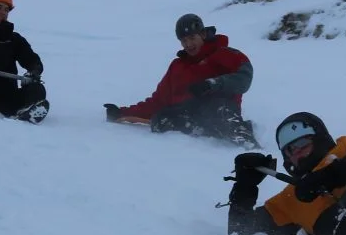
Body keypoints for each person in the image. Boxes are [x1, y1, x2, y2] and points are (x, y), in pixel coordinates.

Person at [104, 13, 258, 145]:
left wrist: (212, 84)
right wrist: (121, 113)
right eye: (184, 41)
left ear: (203, 34)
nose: (188, 44)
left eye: (192, 38)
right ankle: (202, 134)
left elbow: (244, 79)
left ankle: (245, 141)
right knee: (161, 118)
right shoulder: (177, 66)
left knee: (219, 108)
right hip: (190, 117)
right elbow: (158, 101)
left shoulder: (225, 54)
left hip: (219, 111)